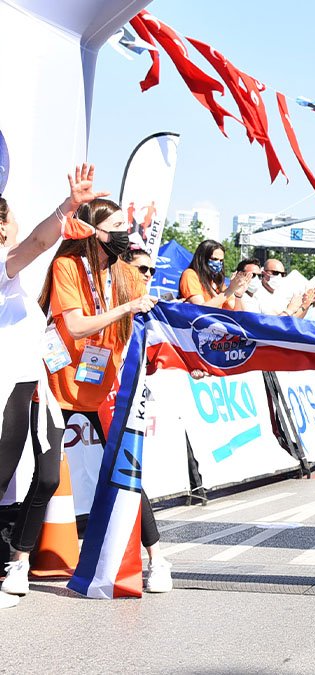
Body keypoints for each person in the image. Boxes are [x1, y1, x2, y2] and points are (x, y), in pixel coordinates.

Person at [32, 196, 171, 595]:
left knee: (126, 473)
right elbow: (76, 327)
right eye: (117, 227)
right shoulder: (67, 266)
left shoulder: (127, 274)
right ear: (93, 233)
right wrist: (127, 308)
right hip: (58, 385)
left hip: (105, 388)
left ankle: (157, 559)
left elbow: (149, 322)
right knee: (44, 478)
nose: (126, 234)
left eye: (126, 226)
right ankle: (20, 562)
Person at [0, 165, 103, 607]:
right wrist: (68, 206)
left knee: (41, 475)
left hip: (32, 385)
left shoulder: (12, 279)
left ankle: (16, 563)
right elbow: (38, 243)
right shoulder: (3, 265)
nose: (18, 224)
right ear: (2, 227)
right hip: (10, 387)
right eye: (13, 217)